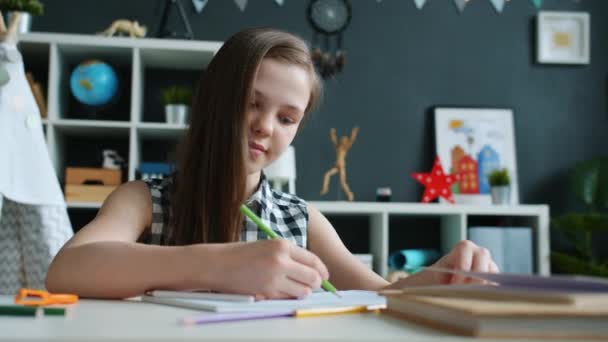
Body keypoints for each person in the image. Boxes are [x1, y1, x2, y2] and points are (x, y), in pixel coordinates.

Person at [46, 27, 498, 300]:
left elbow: (382, 296)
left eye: (286, 118)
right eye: (250, 103)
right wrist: (220, 264)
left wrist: (440, 277)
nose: (265, 126)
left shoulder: (300, 220)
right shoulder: (144, 199)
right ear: (213, 103)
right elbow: (68, 269)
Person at [320, 126, 359, 201]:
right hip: (336, 165)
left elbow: (352, 140)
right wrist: (332, 133)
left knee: (343, 182)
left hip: (341, 166)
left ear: (346, 141)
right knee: (327, 174)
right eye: (342, 139)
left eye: (344, 139)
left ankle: (350, 194)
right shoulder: (338, 147)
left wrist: (354, 132)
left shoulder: (345, 148)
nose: (342, 140)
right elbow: (334, 140)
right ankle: (325, 189)